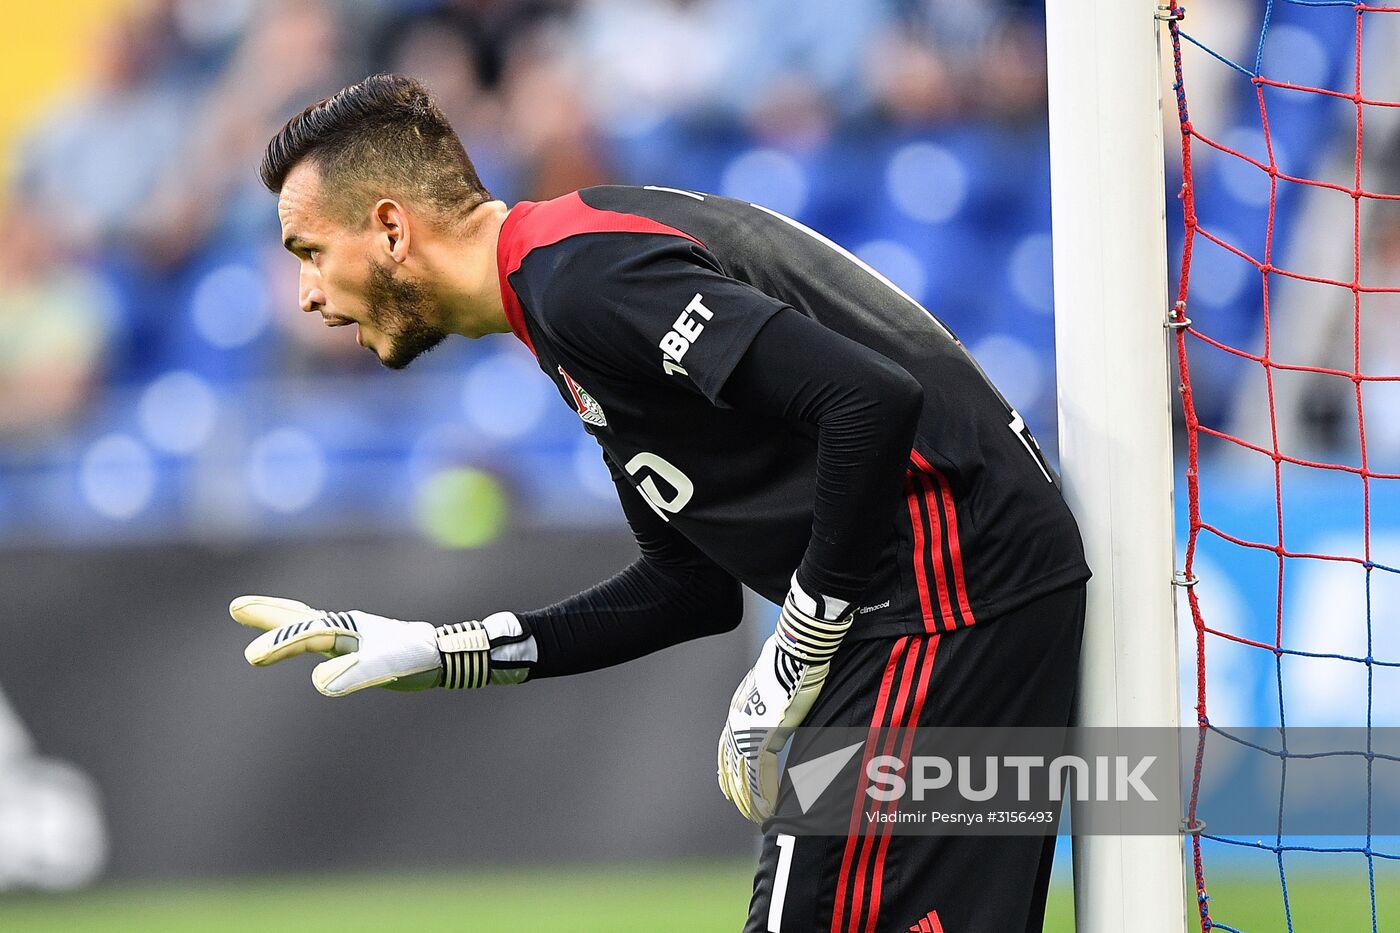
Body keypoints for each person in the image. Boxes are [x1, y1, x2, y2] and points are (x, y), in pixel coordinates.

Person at [232, 74, 1089, 933]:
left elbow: (867, 400)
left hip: (948, 591)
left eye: (308, 251)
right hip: (938, 600)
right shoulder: (556, 290)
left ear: (389, 227)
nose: (306, 293)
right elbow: (686, 585)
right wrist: (441, 647)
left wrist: (800, 641)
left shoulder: (580, 278)